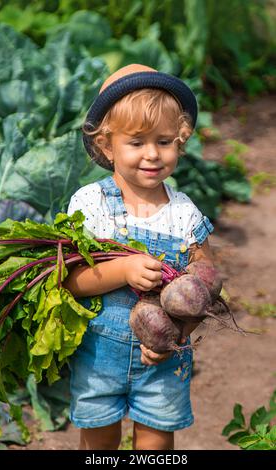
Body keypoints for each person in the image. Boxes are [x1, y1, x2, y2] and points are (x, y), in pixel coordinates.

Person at [63, 64, 215, 450]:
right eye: (137, 142)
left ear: (180, 143)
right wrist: (124, 268)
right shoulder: (90, 204)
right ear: (106, 145)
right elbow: (71, 282)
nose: (152, 154)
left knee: (156, 445)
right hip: (98, 356)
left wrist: (175, 336)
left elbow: (206, 281)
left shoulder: (183, 212)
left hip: (162, 359)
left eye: (164, 141)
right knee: (98, 444)